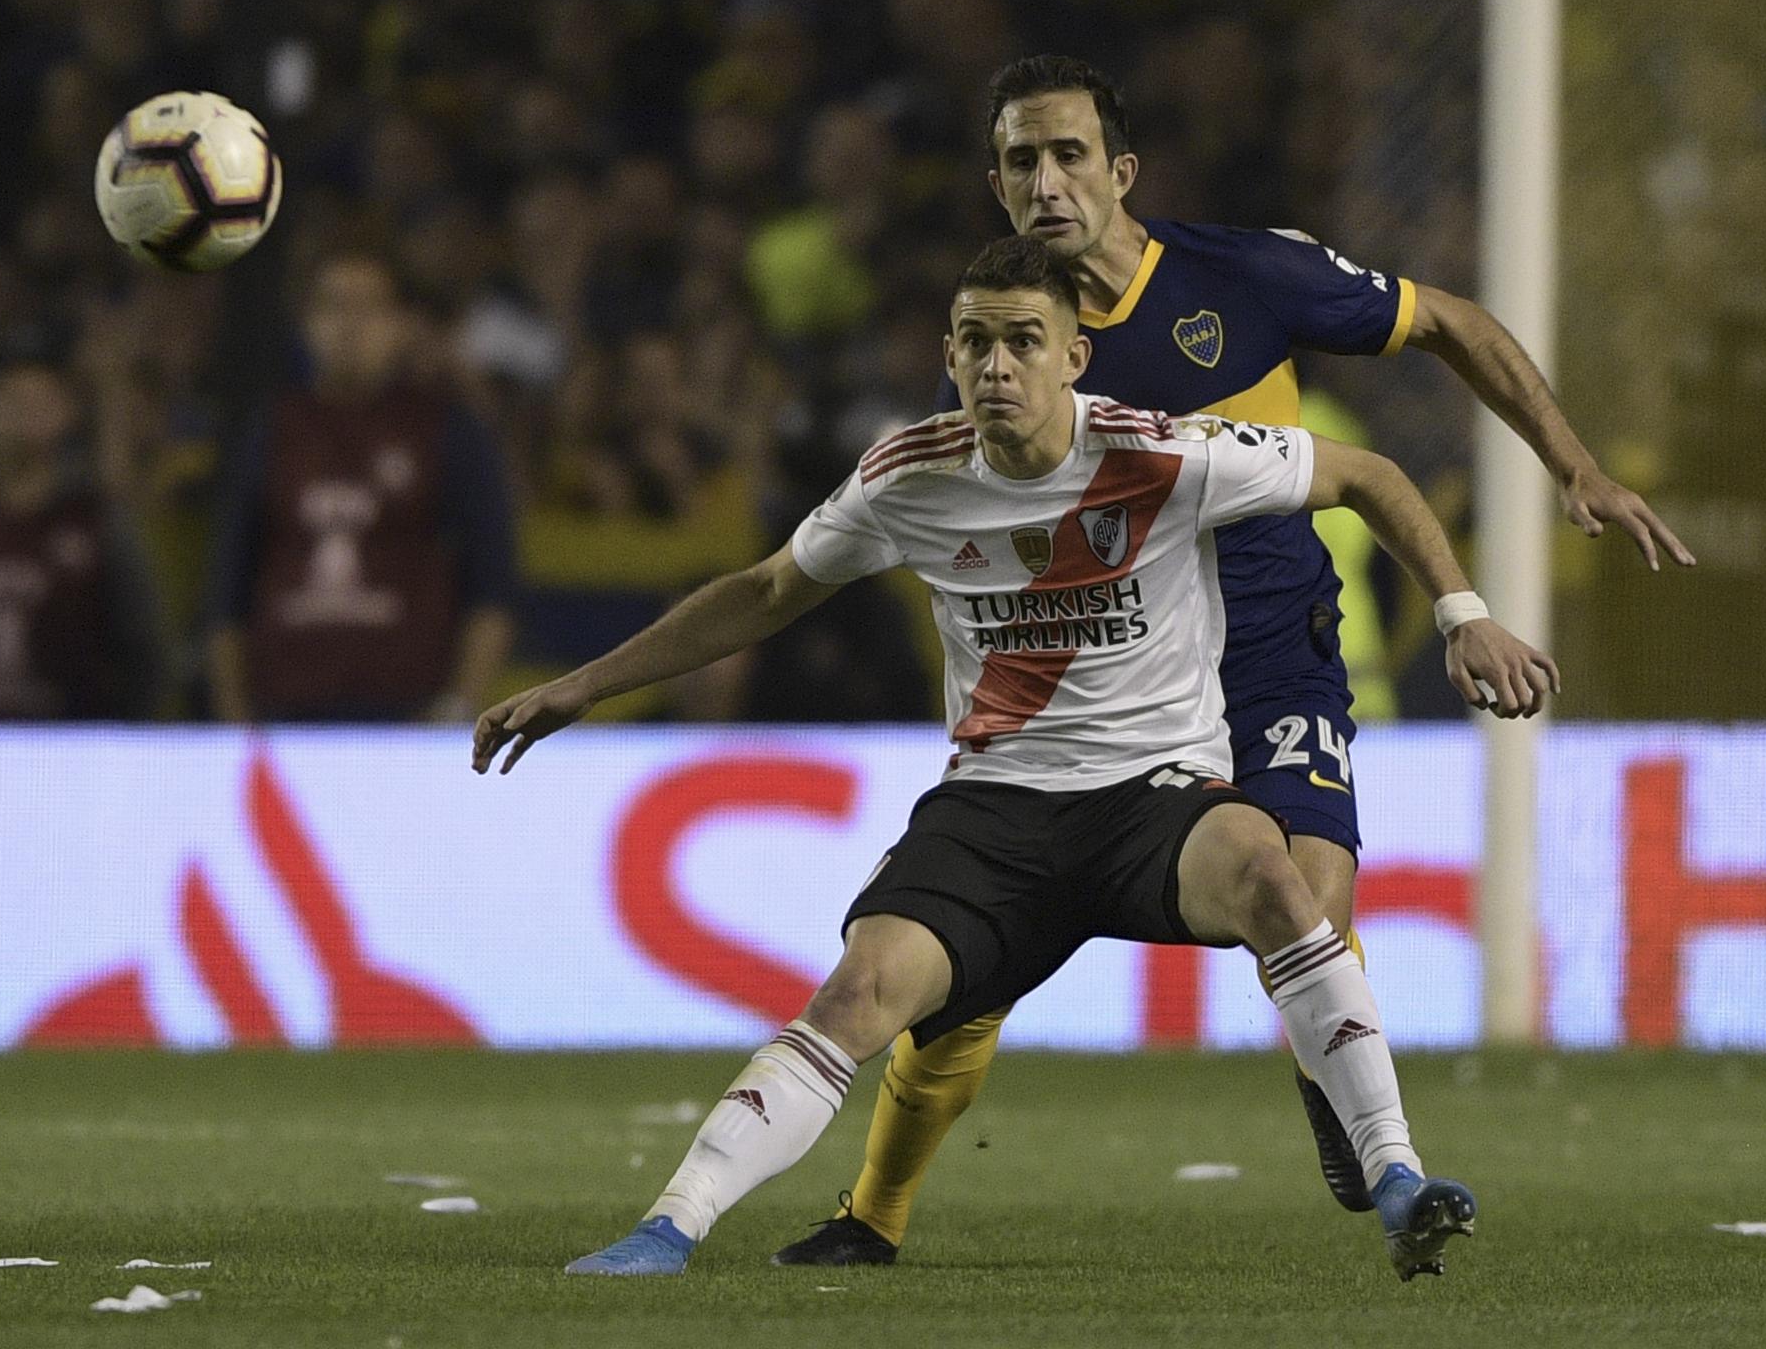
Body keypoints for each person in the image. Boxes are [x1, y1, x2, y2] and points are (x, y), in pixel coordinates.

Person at [475, 237, 1557, 1280]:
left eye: (1024, 341)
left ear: (1072, 356)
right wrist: (583, 685)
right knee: (859, 997)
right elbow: (763, 593)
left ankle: (1400, 1179)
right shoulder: (909, 476)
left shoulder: (1160, 453)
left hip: (1155, 802)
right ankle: (669, 1228)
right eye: (975, 341)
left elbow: (1368, 476)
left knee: (1279, 880)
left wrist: (1463, 613)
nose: (997, 365)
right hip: (996, 811)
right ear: (947, 356)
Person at [774, 55, 1697, 1267]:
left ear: (1122, 171)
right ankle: (872, 1219)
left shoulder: (1248, 277)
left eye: (1067, 156)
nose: (1046, 183)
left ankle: (1382, 1162)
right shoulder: (1007, 333)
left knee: (1309, 899)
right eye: (1019, 161)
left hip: (1265, 656)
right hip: (1099, 684)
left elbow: (1451, 325)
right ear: (994, 183)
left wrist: (1569, 466)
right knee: (959, 988)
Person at [203, 251, 516, 724]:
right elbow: (227, 590)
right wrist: (234, 719)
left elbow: (492, 586)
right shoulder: (273, 430)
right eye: (333, 307)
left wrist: (458, 707)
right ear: (306, 324)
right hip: (283, 713)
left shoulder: (444, 429)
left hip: (404, 717)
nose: (350, 326)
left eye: (368, 308)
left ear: (401, 325)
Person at [0, 360, 165, 720]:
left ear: (68, 411)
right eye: (12, 400)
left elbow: (141, 644)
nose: (25, 413)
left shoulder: (92, 521)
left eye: (40, 399)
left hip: (70, 740)